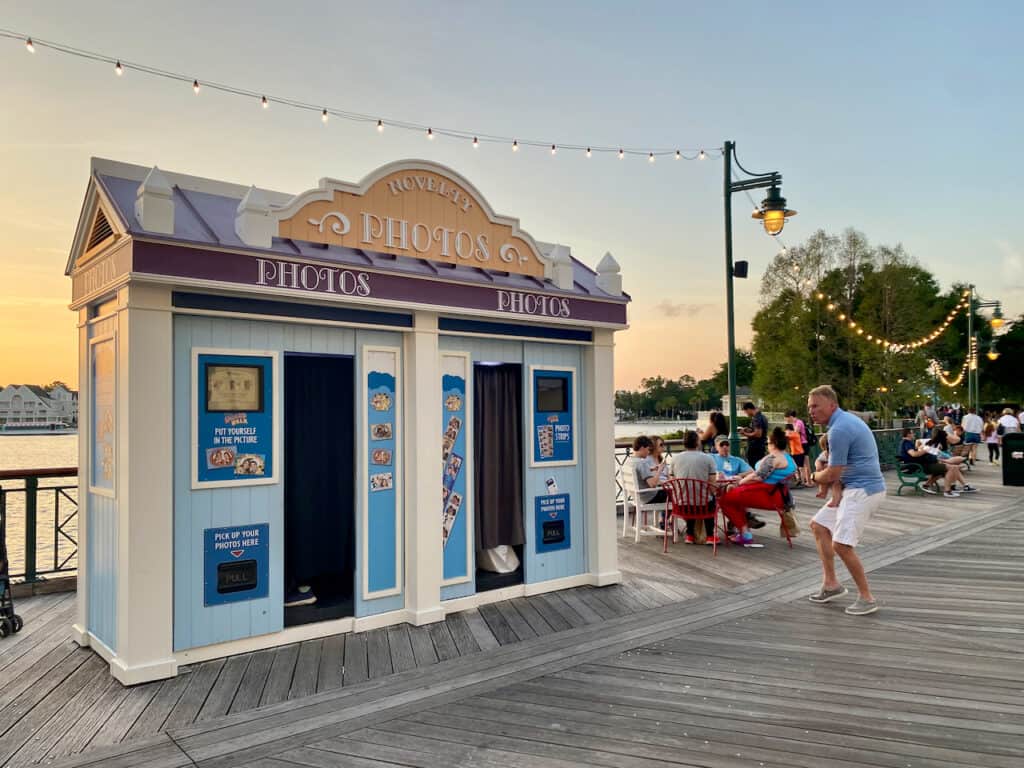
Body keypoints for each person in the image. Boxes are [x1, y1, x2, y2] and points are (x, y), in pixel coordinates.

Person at [806, 385, 886, 616]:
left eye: (815, 406)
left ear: (832, 405)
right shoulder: (842, 423)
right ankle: (831, 585)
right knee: (819, 525)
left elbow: (831, 474)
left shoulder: (839, 429)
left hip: (863, 490)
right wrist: (836, 490)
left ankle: (867, 598)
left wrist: (812, 476)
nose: (811, 411)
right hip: (855, 487)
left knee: (841, 544)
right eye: (809, 407)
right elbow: (838, 472)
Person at [717, 427, 796, 546]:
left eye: (768, 443)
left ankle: (745, 533)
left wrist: (741, 481)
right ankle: (744, 523)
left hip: (766, 494)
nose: (767, 445)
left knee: (724, 500)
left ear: (773, 444)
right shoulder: (789, 459)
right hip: (780, 495)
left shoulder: (773, 458)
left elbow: (758, 477)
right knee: (734, 498)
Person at [669, 430, 719, 544]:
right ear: (697, 442)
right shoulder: (708, 459)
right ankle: (710, 536)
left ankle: (690, 535)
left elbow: (672, 481)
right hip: (703, 506)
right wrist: (715, 493)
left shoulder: (675, 459)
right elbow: (712, 485)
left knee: (689, 495)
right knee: (710, 499)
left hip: (681, 505)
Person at [710, 436, 765, 530]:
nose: (724, 447)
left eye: (727, 444)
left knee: (734, 490)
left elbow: (752, 472)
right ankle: (746, 517)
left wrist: (739, 474)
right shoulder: (711, 457)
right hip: (715, 489)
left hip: (732, 488)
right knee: (733, 489)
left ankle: (734, 522)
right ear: (716, 447)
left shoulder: (736, 460)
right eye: (721, 445)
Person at [899, 428, 954, 496]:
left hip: (918, 465)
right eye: (912, 433)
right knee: (950, 468)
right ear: (908, 434)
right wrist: (925, 450)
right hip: (916, 467)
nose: (914, 434)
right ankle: (947, 491)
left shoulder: (906, 442)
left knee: (943, 469)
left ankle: (926, 485)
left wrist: (921, 449)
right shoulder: (906, 443)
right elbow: (913, 454)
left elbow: (915, 453)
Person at [631, 435, 668, 505]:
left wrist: (653, 469)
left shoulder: (630, 461)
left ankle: (665, 515)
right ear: (642, 448)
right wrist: (659, 470)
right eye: (648, 449)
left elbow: (640, 473)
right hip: (649, 497)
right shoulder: (642, 463)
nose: (648, 452)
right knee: (676, 494)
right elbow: (653, 484)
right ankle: (667, 516)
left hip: (638, 497)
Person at [813, 433, 843, 506]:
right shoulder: (825, 454)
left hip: (837, 474)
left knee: (836, 484)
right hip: (829, 472)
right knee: (823, 477)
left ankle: (835, 499)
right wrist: (819, 467)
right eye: (826, 447)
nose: (827, 449)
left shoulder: (840, 453)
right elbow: (818, 461)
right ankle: (823, 492)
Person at [785, 410, 812, 486]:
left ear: (790, 417)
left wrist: (788, 432)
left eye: (787, 418)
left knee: (806, 463)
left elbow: (795, 432)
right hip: (798, 446)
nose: (786, 420)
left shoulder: (798, 422)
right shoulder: (793, 423)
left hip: (803, 444)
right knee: (801, 465)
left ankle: (809, 482)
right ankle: (805, 480)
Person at [740, 401, 769, 467]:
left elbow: (758, 434)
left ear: (749, 409)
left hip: (755, 447)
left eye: (745, 412)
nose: (746, 414)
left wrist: (745, 433)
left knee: (753, 466)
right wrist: (749, 430)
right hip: (761, 446)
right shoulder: (762, 417)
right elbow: (758, 430)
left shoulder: (757, 418)